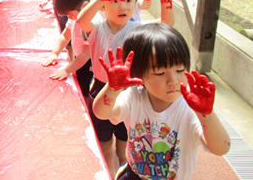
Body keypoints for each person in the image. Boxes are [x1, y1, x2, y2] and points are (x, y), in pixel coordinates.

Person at [93, 23, 230, 179]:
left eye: (179, 70)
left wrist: (207, 115)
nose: (173, 81)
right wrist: (113, 88)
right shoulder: (134, 97)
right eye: (159, 73)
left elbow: (221, 149)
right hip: (134, 176)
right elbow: (101, 113)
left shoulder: (190, 109)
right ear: (138, 74)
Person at [76, 0, 176, 178]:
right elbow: (81, 22)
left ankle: (124, 166)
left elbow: (165, 23)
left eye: (129, 1)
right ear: (103, 3)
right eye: (115, 0)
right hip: (101, 90)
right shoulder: (98, 27)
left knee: (126, 143)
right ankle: (109, 173)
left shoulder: (137, 30)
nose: (123, 6)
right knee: (104, 143)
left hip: (129, 94)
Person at [43, 0, 92, 103]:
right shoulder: (75, 18)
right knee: (81, 84)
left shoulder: (91, 24)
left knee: (86, 91)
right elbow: (65, 35)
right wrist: (55, 53)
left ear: (84, 6)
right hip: (80, 59)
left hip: (91, 64)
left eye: (70, 14)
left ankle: (89, 112)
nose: (69, 18)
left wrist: (67, 70)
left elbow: (86, 54)